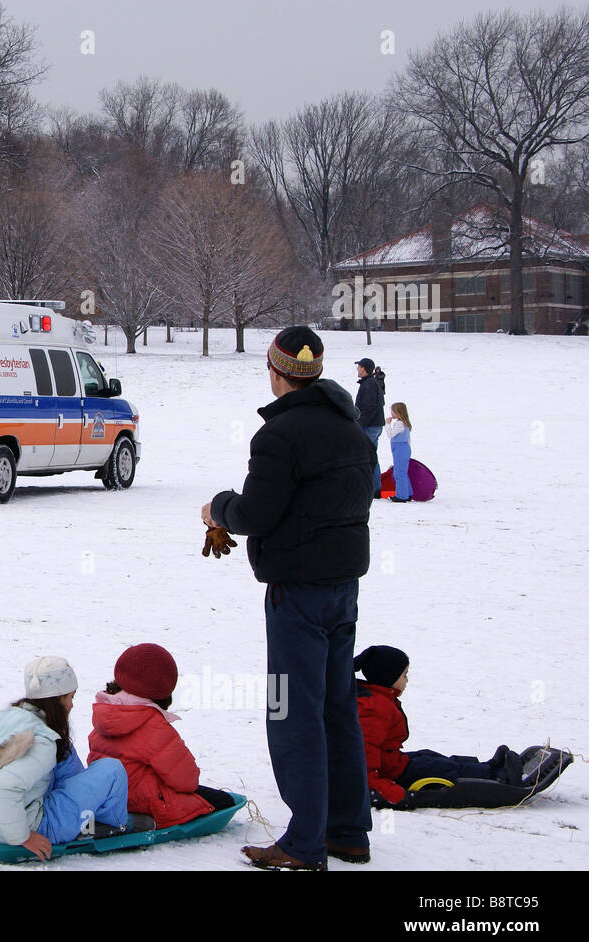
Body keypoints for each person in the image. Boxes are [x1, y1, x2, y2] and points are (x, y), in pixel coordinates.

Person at [202, 326, 377, 871]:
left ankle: (305, 843)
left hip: (297, 593)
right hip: (343, 589)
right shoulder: (350, 428)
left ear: (276, 373)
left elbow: (256, 514)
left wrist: (218, 509)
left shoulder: (279, 435)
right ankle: (347, 831)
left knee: (291, 711)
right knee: (336, 706)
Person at [0, 656, 140, 861]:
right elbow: (2, 788)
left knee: (64, 749)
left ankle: (83, 806)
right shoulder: (41, 742)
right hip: (34, 827)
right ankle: (108, 824)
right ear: (56, 700)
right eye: (70, 697)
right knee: (111, 770)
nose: (71, 705)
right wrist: (22, 837)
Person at [353, 645, 570, 808]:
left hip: (392, 762)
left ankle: (488, 767)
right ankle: (498, 778)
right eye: (404, 675)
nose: (407, 680)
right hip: (390, 773)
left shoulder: (379, 698)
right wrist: (390, 793)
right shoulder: (374, 708)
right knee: (444, 769)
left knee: (430, 756)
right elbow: (364, 760)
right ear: (388, 678)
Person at [88, 644, 238, 827]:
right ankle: (141, 822)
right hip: (146, 802)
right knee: (224, 801)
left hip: (107, 797)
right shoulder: (153, 726)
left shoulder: (105, 714)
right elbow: (187, 780)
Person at [354, 358, 384, 490]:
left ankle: (374, 487)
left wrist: (359, 425)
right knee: (370, 456)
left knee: (369, 457)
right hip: (373, 424)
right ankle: (374, 486)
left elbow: (368, 408)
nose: (357, 369)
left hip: (370, 426)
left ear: (364, 368)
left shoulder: (369, 385)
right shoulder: (369, 383)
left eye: (359, 367)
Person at [386, 402, 413, 502]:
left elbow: (390, 434)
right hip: (403, 449)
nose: (391, 413)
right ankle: (408, 493)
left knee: (399, 472)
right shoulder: (405, 423)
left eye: (392, 411)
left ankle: (401, 495)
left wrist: (388, 424)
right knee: (402, 472)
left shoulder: (399, 424)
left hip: (400, 450)